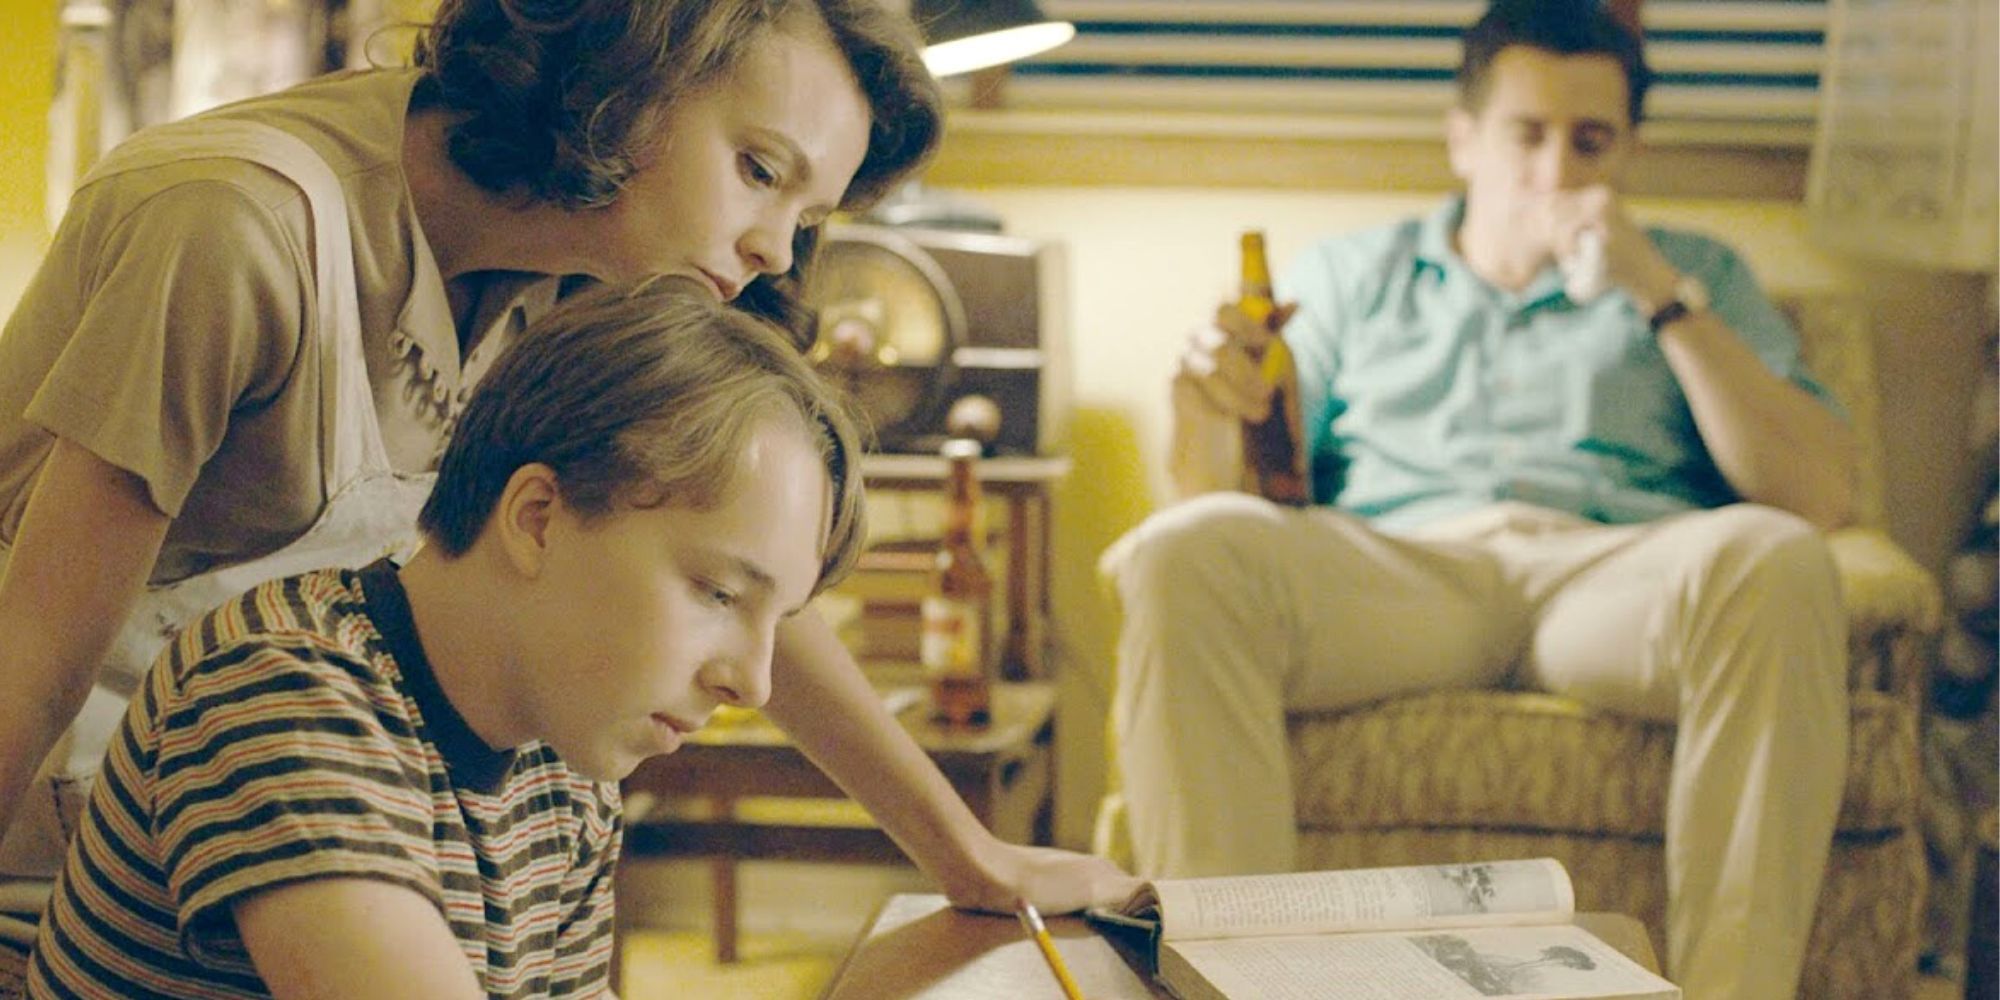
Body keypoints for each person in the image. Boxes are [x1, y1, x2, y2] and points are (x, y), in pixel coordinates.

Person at [0, 0, 1134, 977]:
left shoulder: (591, 270)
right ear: (627, 76)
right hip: (77, 846)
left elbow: (742, 584)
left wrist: (959, 851)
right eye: (757, 170)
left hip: (314, 821)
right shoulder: (230, 225)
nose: (778, 253)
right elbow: (37, 650)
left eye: (805, 214)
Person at [1100, 2, 1854, 998]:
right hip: (1404, 573)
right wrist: (1198, 403)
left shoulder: (1695, 272)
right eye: (1525, 135)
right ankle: (1228, 989)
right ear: (1461, 139)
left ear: (1629, 150)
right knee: (1181, 550)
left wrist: (1658, 297)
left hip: (1611, 576)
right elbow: (1226, 492)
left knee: (1777, 555)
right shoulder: (1348, 276)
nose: (1552, 173)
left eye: (1589, 142)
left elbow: (1816, 493)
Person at [25, 278, 859, 997]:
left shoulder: (563, 752)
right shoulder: (282, 693)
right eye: (718, 592)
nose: (752, 684)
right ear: (538, 519)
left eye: (774, 622)